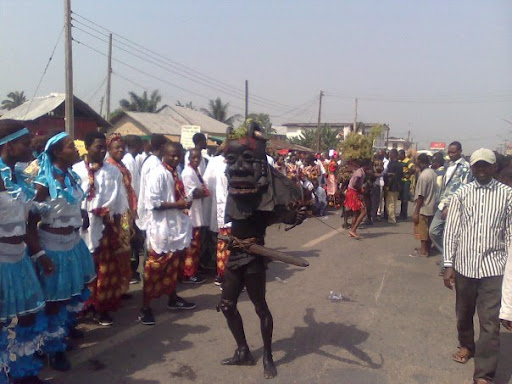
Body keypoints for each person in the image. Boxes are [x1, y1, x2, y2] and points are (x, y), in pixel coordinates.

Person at [219, 122, 305, 379]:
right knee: (226, 305)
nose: (238, 168)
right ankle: (243, 350)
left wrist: (293, 215)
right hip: (235, 254)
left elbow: (280, 215)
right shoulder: (236, 192)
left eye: (247, 160)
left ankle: (267, 355)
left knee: (260, 307)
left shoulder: (266, 198)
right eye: (232, 161)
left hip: (254, 257)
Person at [443, 148, 512, 384]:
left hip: (494, 269)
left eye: (486, 165)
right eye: (477, 166)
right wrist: (448, 264)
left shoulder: (507, 195)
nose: (481, 170)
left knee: (490, 322)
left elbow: (511, 235)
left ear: (494, 167)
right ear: (471, 167)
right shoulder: (462, 194)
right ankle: (466, 345)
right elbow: (452, 231)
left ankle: (484, 374)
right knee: (464, 314)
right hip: (465, 267)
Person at [32, 132, 96, 371]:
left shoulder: (71, 175)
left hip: (73, 242)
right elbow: (30, 218)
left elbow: (71, 203)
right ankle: (51, 348)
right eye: (71, 146)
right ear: (58, 152)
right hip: (53, 246)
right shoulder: (44, 182)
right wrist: (39, 254)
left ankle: (62, 333)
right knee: (53, 301)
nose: (76, 148)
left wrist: (81, 213)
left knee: (69, 293)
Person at [0, 121, 51, 384]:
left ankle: (23, 371)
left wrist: (40, 254)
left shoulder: (20, 177)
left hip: (19, 257)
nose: (31, 145)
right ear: (9, 145)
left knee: (28, 315)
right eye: (25, 141)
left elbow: (28, 223)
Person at [73, 132, 128, 326]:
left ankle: (101, 308)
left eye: (104, 147)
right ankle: (83, 306)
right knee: (83, 269)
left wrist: (117, 225)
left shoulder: (112, 171)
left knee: (104, 270)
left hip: (104, 227)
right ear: (87, 147)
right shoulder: (76, 171)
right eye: (99, 147)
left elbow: (120, 200)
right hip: (81, 228)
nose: (103, 151)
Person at [138, 141, 196, 325]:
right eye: (172, 155)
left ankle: (173, 298)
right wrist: (178, 205)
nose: (176, 158)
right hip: (161, 229)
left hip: (175, 227)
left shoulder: (174, 172)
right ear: (163, 153)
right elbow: (152, 203)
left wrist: (185, 202)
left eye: (178, 155)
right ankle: (145, 308)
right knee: (154, 269)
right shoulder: (158, 174)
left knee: (173, 266)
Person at [429, 141, 471, 273]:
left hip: (453, 206)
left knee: (449, 234)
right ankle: (448, 257)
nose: (451, 154)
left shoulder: (465, 168)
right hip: (442, 204)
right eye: (449, 152)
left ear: (460, 151)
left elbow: (464, 189)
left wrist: (450, 206)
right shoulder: (449, 165)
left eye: (453, 152)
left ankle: (446, 264)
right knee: (434, 232)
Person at [105, 133, 137, 296]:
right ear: (109, 149)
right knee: (119, 250)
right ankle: (116, 288)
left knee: (125, 251)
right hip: (117, 215)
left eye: (122, 147)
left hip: (126, 213)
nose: (121, 150)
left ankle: (121, 287)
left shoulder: (122, 165)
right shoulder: (109, 168)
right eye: (116, 148)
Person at [202, 147, 230, 286]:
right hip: (227, 213)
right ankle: (224, 277)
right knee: (226, 246)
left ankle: (220, 275)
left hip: (220, 210)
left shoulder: (220, 165)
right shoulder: (228, 169)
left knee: (221, 244)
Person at [181, 148, 208, 284]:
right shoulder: (187, 173)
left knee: (196, 245)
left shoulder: (196, 171)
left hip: (197, 212)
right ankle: (188, 273)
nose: (196, 160)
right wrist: (204, 192)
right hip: (191, 214)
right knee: (191, 246)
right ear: (189, 159)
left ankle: (193, 270)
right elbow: (195, 193)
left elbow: (202, 190)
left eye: (198, 158)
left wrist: (203, 191)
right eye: (194, 158)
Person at [121, 134, 144, 284]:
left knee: (134, 241)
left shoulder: (132, 160)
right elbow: (131, 187)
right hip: (129, 208)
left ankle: (132, 271)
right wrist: (133, 209)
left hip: (133, 207)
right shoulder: (128, 161)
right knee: (131, 241)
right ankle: (131, 271)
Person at [411, 154, 437, 257]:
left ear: (420, 162)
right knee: (428, 231)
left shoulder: (423, 176)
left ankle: (423, 251)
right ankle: (427, 249)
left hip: (423, 207)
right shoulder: (433, 173)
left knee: (422, 231)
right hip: (432, 206)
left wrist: (416, 212)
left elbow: (421, 195)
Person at [384, 149, 403, 224]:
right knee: (394, 203)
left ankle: (391, 218)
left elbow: (391, 177)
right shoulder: (400, 165)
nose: (389, 156)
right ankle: (393, 216)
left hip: (391, 186)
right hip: (398, 186)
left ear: (393, 155)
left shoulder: (391, 164)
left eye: (390, 154)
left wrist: (387, 185)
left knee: (390, 203)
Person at [398, 149, 414, 220]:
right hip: (400, 181)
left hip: (405, 182)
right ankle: (401, 214)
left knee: (405, 198)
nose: (398, 156)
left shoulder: (408, 161)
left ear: (403, 154)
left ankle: (404, 215)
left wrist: (408, 174)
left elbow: (412, 169)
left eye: (400, 155)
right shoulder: (399, 161)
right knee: (401, 198)